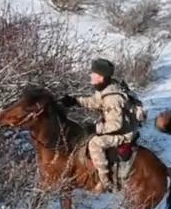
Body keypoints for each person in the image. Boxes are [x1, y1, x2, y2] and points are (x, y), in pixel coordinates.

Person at [62, 59, 145, 192]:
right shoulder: (106, 88)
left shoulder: (112, 98)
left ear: (101, 77)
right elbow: (96, 102)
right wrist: (75, 101)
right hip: (120, 129)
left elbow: (115, 125)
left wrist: (96, 128)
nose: (91, 76)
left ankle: (105, 181)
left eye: (93, 74)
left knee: (95, 143)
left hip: (124, 134)